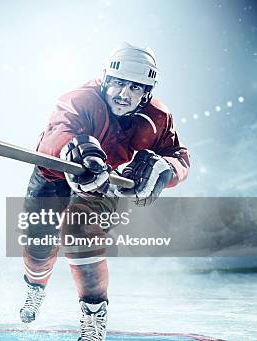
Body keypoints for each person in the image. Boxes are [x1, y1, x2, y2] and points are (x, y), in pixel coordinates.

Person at [19, 42, 190, 340]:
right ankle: (35, 288)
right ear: (106, 80)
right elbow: (57, 136)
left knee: (79, 231)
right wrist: (72, 150)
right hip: (55, 176)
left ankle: (94, 317)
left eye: (135, 88)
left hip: (104, 183)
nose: (125, 94)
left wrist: (167, 170)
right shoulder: (79, 100)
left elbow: (178, 155)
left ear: (147, 92)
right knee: (38, 248)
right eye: (119, 83)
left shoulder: (158, 117)